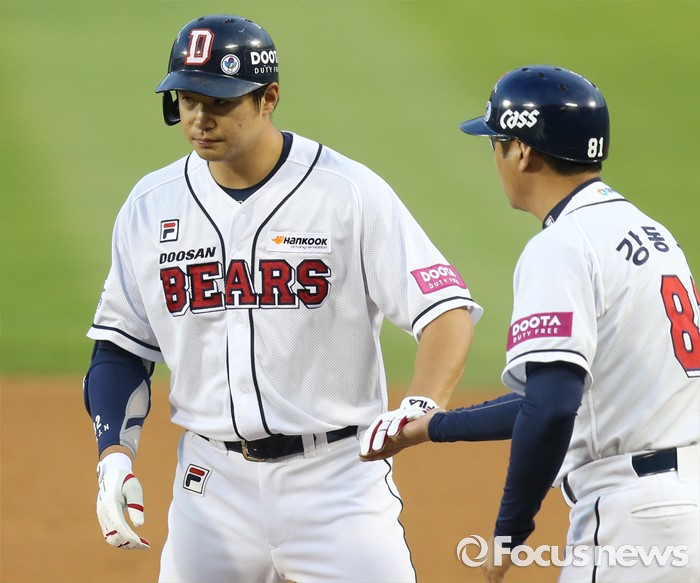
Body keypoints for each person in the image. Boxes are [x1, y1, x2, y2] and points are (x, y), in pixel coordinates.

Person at [83, 14, 483, 583]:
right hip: (210, 488)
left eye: (220, 102)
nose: (200, 119)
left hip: (338, 482)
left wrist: (422, 403)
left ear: (268, 98)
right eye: (188, 100)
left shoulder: (345, 192)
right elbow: (121, 347)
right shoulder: (151, 205)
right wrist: (114, 457)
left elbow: (446, 312)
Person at [361, 65, 700, 582]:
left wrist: (509, 531)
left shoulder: (562, 246)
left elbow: (551, 407)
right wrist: (433, 427)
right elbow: (560, 398)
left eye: (495, 143)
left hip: (634, 521)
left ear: (521, 151)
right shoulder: (651, 234)